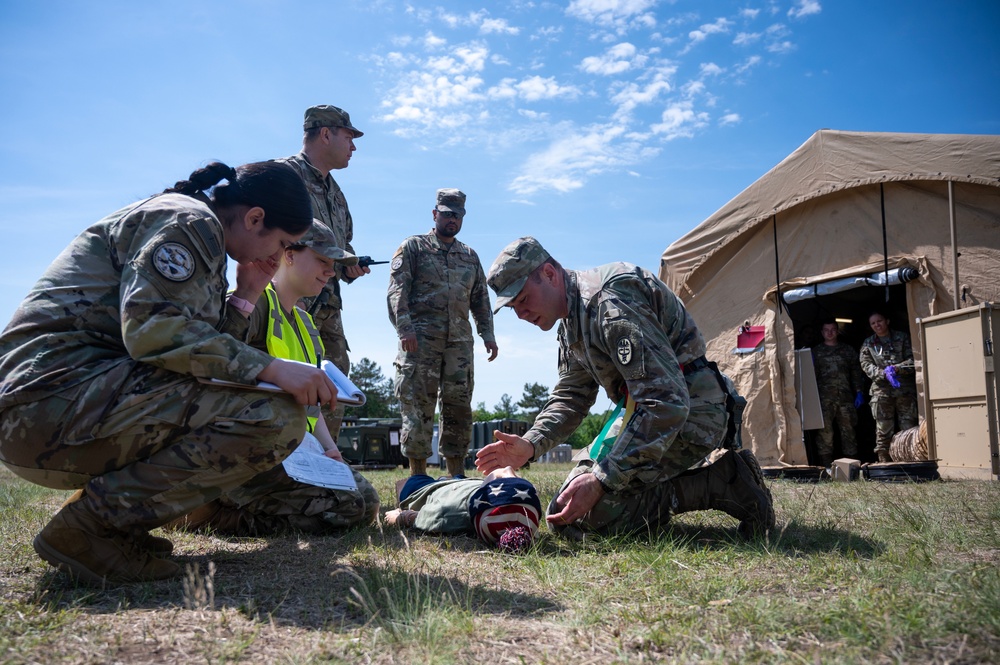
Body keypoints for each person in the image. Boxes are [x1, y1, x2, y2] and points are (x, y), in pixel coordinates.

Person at [0, 161, 337, 585]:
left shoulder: (199, 229)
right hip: (46, 404)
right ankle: (90, 528)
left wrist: (247, 293)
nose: (277, 256)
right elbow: (153, 331)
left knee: (262, 409)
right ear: (254, 218)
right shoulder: (190, 222)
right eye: (282, 242)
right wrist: (272, 368)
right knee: (273, 416)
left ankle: (114, 524)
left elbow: (194, 353)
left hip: (60, 402)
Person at [475, 237, 774, 541]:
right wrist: (531, 444)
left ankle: (724, 482)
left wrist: (602, 479)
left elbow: (666, 403)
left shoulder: (610, 304)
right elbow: (572, 396)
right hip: (647, 414)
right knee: (566, 511)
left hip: (692, 414)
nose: (521, 314)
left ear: (550, 274)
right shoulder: (572, 321)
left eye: (523, 299)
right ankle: (666, 491)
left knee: (588, 518)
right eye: (513, 307)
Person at [167, 220, 380, 534]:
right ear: (289, 255)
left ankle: (223, 503)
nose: (330, 272)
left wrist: (329, 450)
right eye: (322, 261)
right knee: (345, 507)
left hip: (295, 446)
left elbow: (313, 404)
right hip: (248, 446)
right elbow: (212, 360)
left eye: (333, 265)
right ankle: (210, 514)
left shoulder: (306, 324)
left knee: (366, 502)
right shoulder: (254, 302)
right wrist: (244, 297)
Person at [387, 189, 499, 478]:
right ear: (435, 214)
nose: (452, 219)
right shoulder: (413, 247)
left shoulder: (469, 256)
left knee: (458, 408)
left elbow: (480, 299)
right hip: (419, 344)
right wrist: (405, 329)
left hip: (459, 346)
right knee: (418, 408)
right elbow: (397, 291)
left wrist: (488, 334)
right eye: (447, 213)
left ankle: (456, 474)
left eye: (457, 215)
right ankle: (418, 476)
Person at [277, 104, 370, 441]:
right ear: (326, 133)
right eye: (349, 137)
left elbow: (336, 250)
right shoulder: (282, 178)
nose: (354, 146)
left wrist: (348, 268)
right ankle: (288, 458)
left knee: (334, 385)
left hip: (328, 307)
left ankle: (325, 461)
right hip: (288, 303)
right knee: (288, 380)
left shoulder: (337, 195)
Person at [385, 466, 541, 553]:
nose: (508, 471)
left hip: (432, 490)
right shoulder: (523, 518)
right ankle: (451, 478)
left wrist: (401, 516)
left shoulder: (451, 514)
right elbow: (505, 470)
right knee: (457, 476)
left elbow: (420, 517)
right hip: (467, 483)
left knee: (413, 482)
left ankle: (441, 479)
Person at [859, 311, 917, 462]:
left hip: (904, 390)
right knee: (883, 429)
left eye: (879, 321)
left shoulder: (902, 337)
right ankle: (884, 462)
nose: (877, 325)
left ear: (887, 321)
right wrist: (883, 373)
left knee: (908, 427)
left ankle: (910, 460)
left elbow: (914, 359)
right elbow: (865, 364)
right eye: (873, 323)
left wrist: (897, 369)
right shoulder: (869, 343)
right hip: (881, 391)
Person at [811, 319, 865, 466]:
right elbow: (811, 377)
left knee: (849, 433)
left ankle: (851, 467)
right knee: (824, 434)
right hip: (824, 400)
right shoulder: (816, 352)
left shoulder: (848, 350)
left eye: (833, 329)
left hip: (845, 399)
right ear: (822, 332)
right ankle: (826, 466)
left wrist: (859, 392)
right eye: (826, 330)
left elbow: (855, 372)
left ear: (838, 331)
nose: (830, 333)